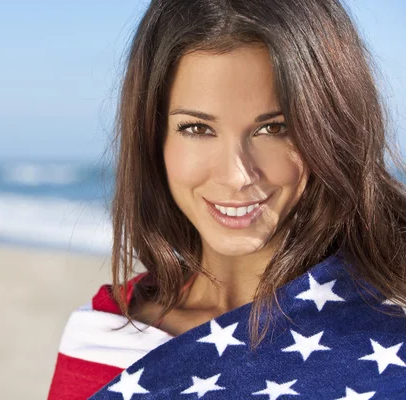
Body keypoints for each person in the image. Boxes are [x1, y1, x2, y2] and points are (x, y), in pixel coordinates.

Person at [48, 0, 406, 398]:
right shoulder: (102, 341)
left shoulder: (392, 326)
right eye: (198, 128)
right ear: (152, 137)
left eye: (275, 127)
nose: (237, 176)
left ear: (331, 128)